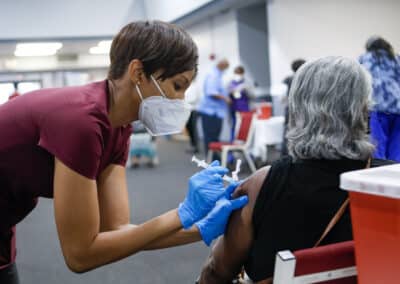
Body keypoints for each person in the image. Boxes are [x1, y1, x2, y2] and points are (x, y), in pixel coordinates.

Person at [0, 21, 248, 284]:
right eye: (177, 86)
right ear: (138, 72)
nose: (180, 102)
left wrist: (201, 227)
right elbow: (80, 254)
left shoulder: (119, 127)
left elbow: (118, 232)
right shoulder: (81, 121)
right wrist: (182, 213)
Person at [197, 57, 396, 283]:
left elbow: (218, 270)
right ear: (363, 110)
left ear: (298, 109)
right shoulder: (390, 183)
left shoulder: (261, 184)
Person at [359, 36, 400, 162]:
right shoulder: (396, 59)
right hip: (398, 107)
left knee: (378, 145)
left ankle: (378, 173)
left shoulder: (365, 59)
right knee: (397, 147)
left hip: (377, 106)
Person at [198, 59, 231, 158]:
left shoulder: (217, 75)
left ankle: (214, 159)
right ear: (222, 66)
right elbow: (212, 93)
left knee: (213, 137)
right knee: (211, 137)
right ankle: (212, 160)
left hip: (215, 112)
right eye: (226, 68)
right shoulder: (214, 76)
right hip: (211, 112)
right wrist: (226, 99)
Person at [281, 59, 305, 156]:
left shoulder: (287, 80)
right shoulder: (305, 79)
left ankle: (285, 154)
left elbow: (283, 98)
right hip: (301, 110)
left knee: (287, 132)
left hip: (290, 110)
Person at [228, 66, 252, 142]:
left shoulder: (247, 83)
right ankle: (232, 147)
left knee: (245, 128)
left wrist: (246, 90)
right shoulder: (230, 83)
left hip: (244, 109)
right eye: (236, 73)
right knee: (234, 127)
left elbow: (252, 95)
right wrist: (231, 91)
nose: (237, 75)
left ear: (242, 73)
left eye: (239, 73)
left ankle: (246, 147)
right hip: (234, 109)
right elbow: (227, 95)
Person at [184, 79, 201, 154]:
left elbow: (193, 98)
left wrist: (183, 99)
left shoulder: (195, 86)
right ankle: (192, 144)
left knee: (193, 129)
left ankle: (195, 146)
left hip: (193, 110)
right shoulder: (187, 86)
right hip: (187, 110)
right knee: (189, 128)